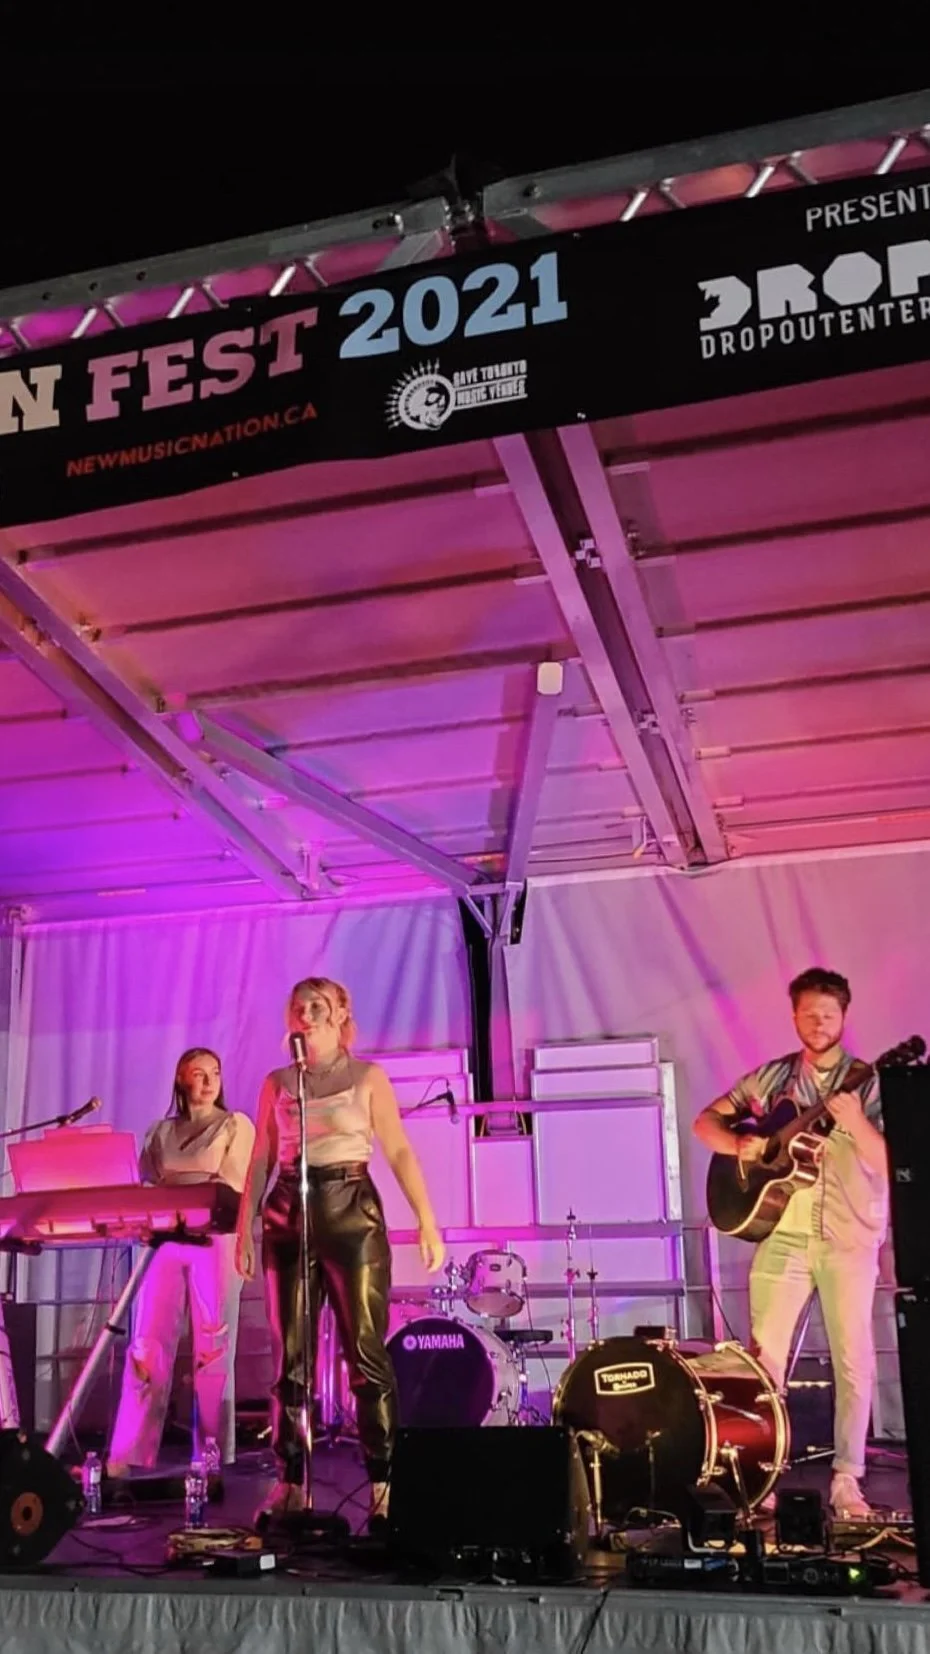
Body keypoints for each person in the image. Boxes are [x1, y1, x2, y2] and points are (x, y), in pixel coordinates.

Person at [235, 975, 445, 1526]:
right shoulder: (278, 1082)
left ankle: (383, 1481)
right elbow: (260, 1157)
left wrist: (427, 1220)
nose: (306, 1014)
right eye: (299, 1006)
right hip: (288, 1208)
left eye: (318, 1006)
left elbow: (397, 1148)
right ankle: (291, 1481)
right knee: (291, 1358)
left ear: (339, 1014)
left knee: (365, 1353)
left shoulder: (367, 1077)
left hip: (351, 1209)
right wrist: (244, 1229)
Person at [693, 967, 888, 1519]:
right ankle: (762, 1474)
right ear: (795, 1016)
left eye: (828, 1013)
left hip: (849, 1234)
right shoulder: (776, 1079)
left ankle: (847, 1479)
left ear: (844, 1016)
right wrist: (741, 1146)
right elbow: (705, 1123)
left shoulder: (870, 1082)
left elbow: (889, 1160)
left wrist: (854, 1125)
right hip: (783, 1234)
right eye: (809, 1013)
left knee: (854, 1360)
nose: (818, 1022)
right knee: (764, 1360)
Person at [107, 1049, 255, 1476]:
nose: (208, 1082)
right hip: (165, 1237)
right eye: (198, 1073)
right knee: (147, 1341)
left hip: (215, 1239)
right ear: (180, 1079)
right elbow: (146, 1183)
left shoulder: (234, 1125)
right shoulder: (160, 1131)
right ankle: (130, 1452)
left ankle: (209, 1453)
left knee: (214, 1343)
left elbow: (230, 1186)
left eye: (215, 1073)